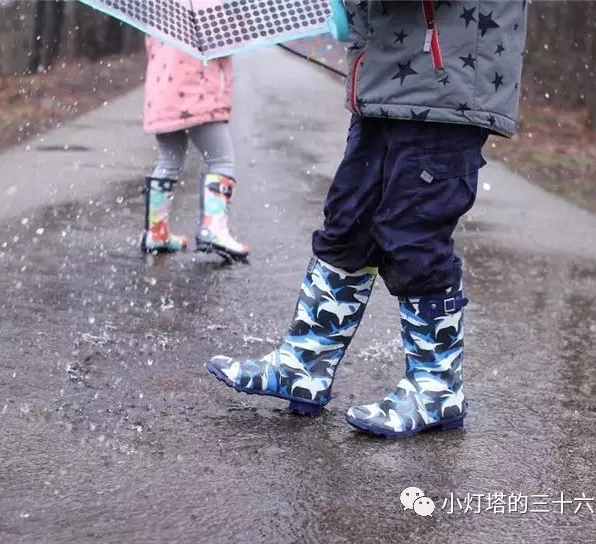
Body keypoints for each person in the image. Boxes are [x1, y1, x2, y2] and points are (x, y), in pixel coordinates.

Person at [205, 0, 528, 437]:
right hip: (385, 80)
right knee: (348, 223)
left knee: (415, 233)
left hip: (446, 88)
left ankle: (437, 388)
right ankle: (305, 362)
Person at [140, 37, 249, 262]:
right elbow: (227, 39)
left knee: (169, 161)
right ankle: (214, 231)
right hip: (198, 94)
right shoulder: (206, 5)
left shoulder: (160, 11)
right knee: (221, 160)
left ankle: (156, 233)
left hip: (163, 97)